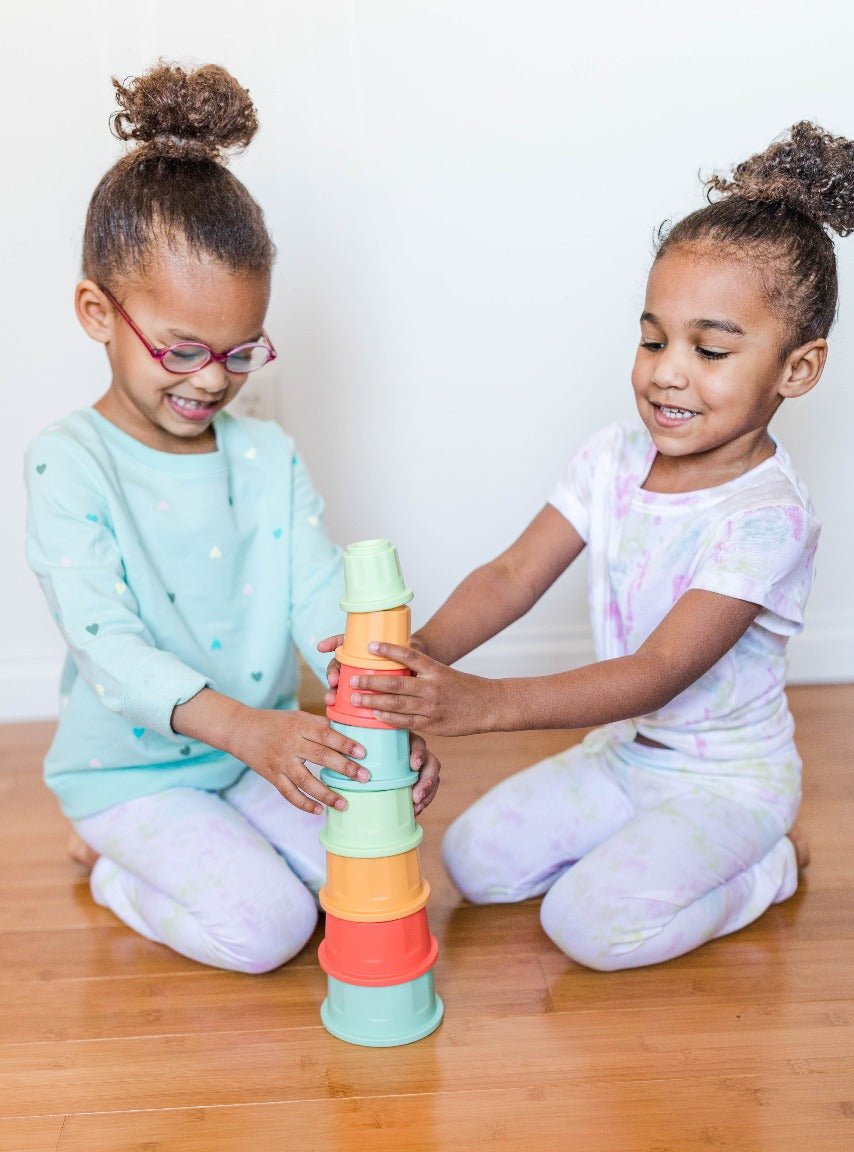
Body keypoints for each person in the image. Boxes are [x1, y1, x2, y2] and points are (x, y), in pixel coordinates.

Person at [325, 121, 853, 971]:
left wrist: (481, 706)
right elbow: (510, 575)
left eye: (710, 349)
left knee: (589, 927)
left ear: (798, 368)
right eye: (653, 339)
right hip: (621, 755)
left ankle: (769, 867)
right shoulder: (612, 458)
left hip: (726, 783)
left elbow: (656, 672)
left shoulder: (770, 518)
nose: (667, 371)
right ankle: (645, 850)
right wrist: (417, 660)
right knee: (473, 864)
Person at [24, 62, 439, 974]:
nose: (211, 379)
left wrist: (386, 721)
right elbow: (112, 652)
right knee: (270, 931)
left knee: (368, 871)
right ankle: (113, 873)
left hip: (252, 756)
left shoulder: (266, 455)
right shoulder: (70, 462)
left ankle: (213, 840)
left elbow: (323, 602)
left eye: (239, 350)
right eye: (181, 348)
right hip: (133, 777)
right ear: (99, 311)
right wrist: (253, 730)